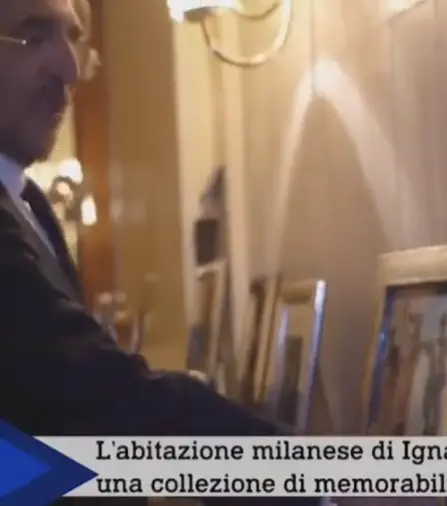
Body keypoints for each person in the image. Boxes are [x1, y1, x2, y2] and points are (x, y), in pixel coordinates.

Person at [0, 1, 322, 504]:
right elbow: (95, 387)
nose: (68, 69)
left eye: (74, 39)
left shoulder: (28, 201)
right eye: (33, 35)